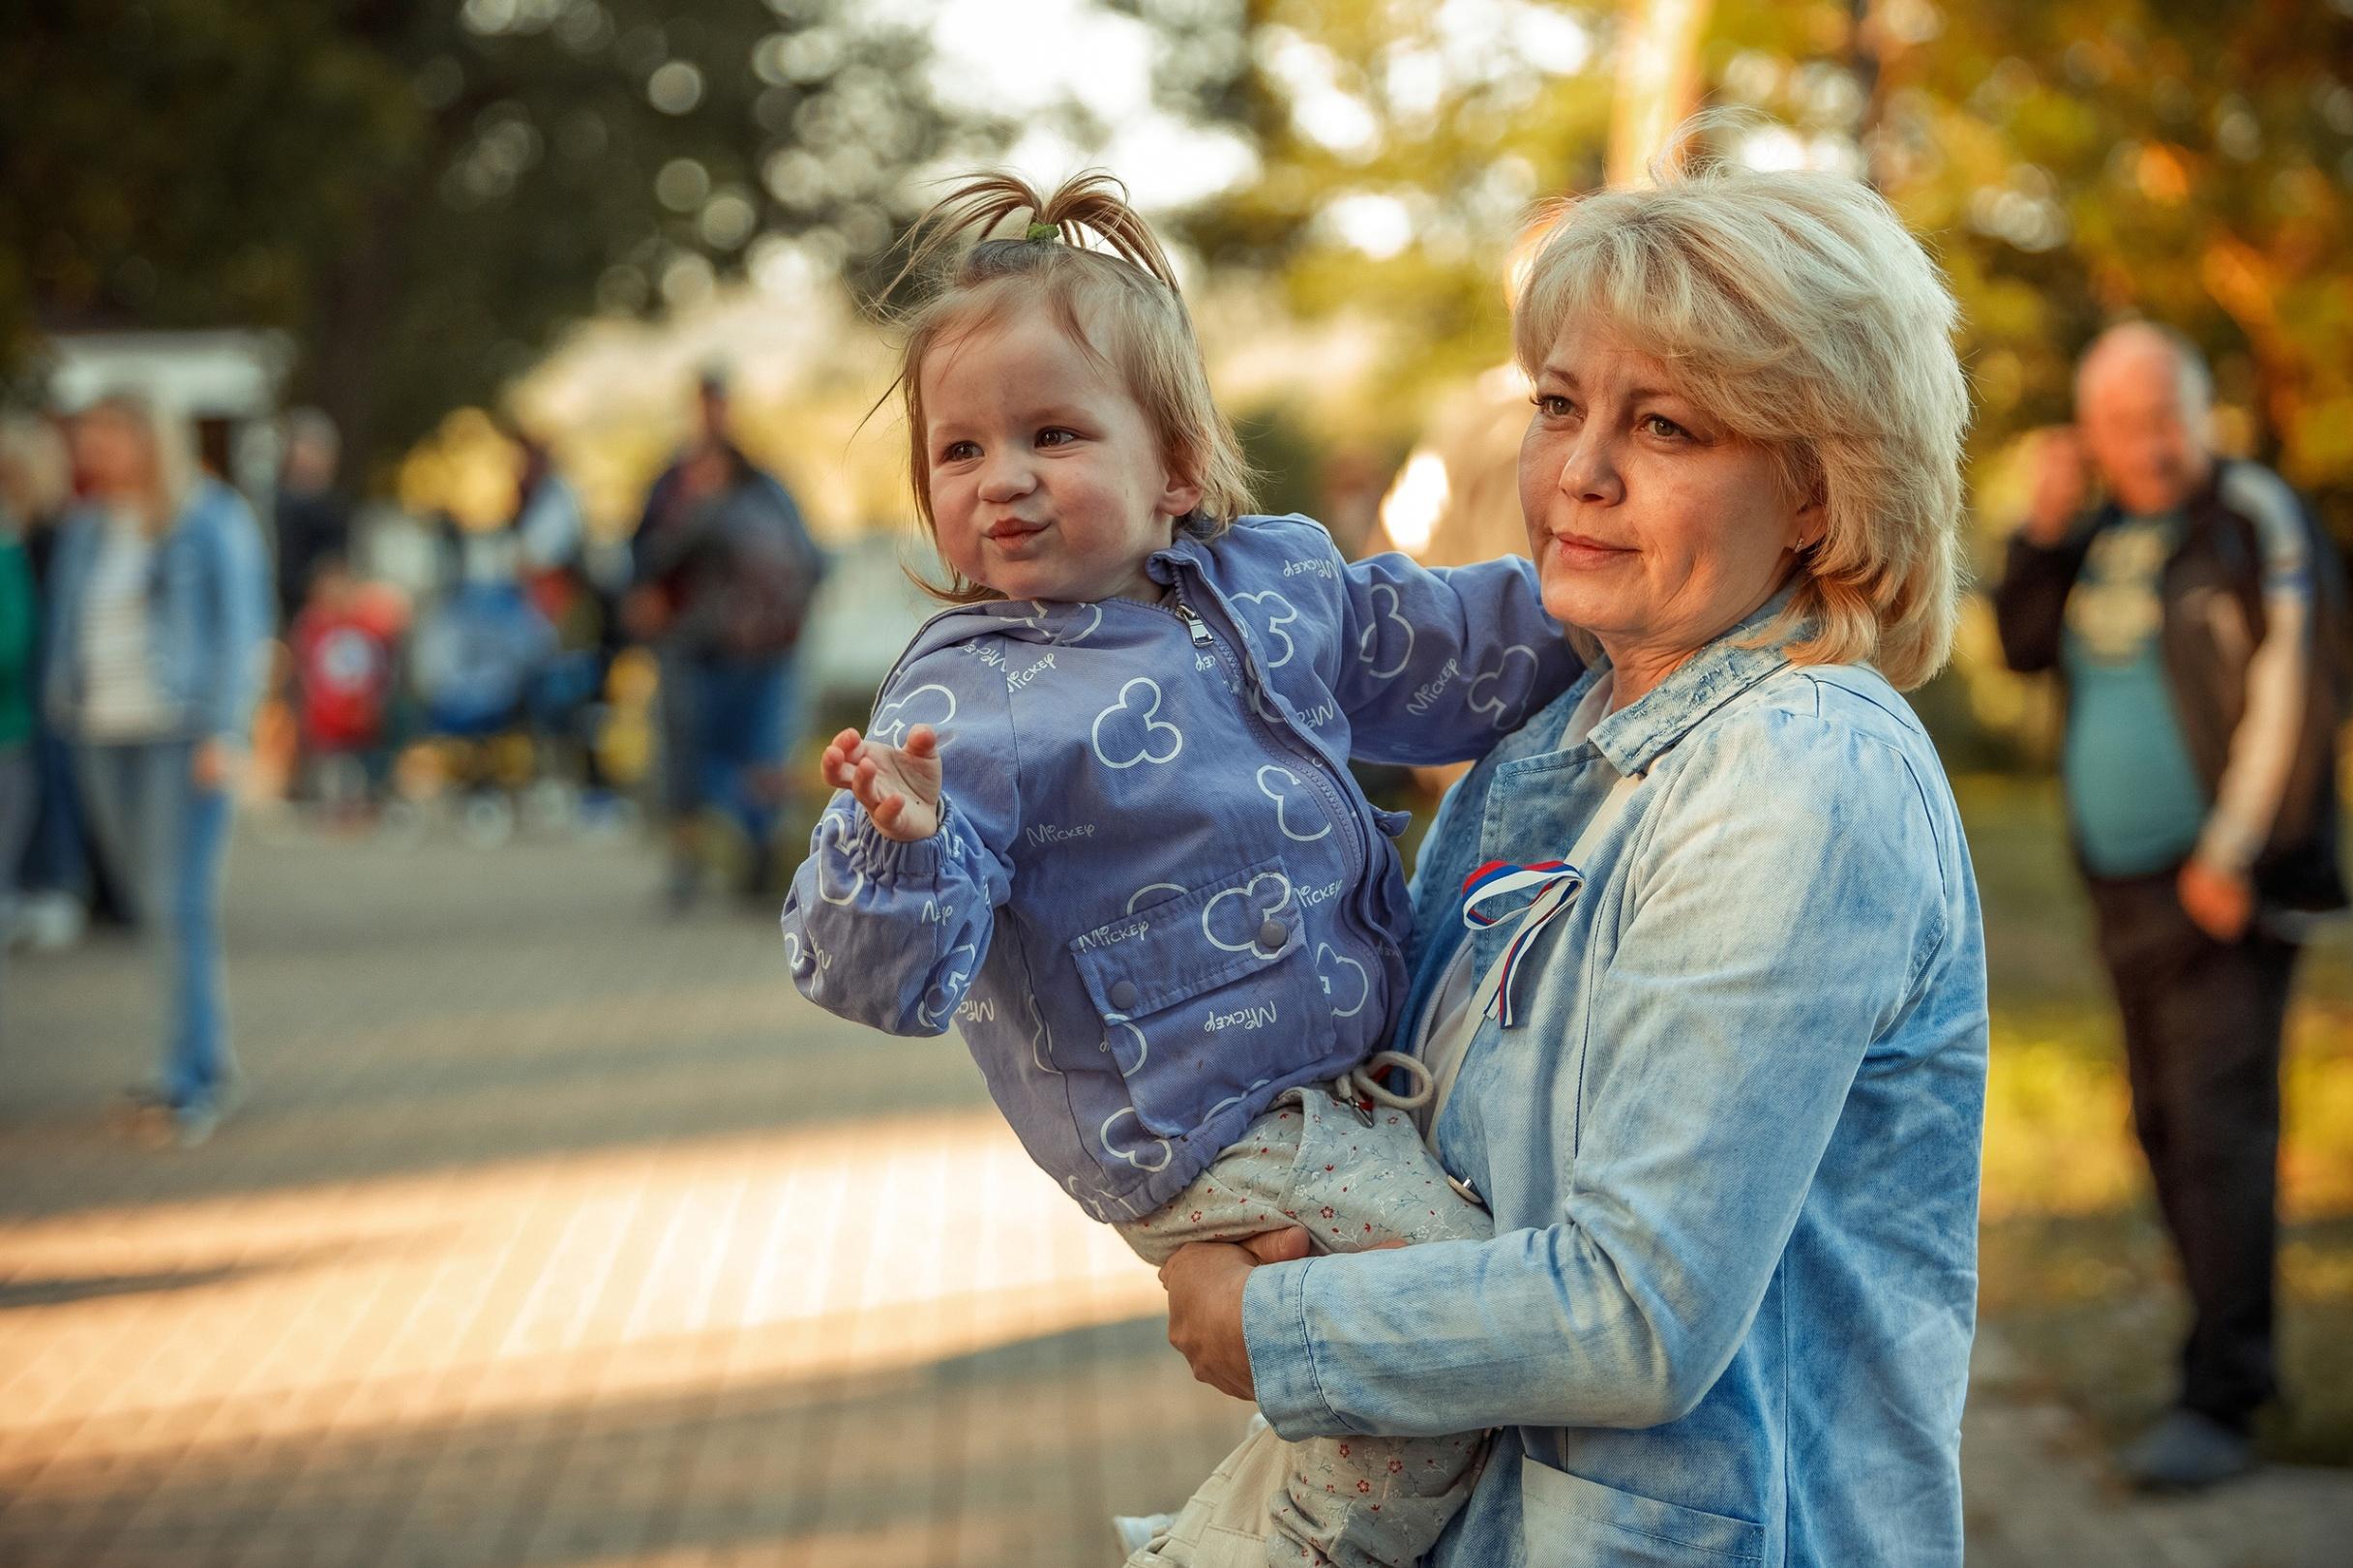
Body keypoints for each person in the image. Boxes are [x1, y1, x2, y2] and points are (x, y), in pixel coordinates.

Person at [1153, 155, 1986, 1564]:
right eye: (1559, 404)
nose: (1578, 474)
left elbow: (1636, 1312)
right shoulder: (1571, 728)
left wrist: (1267, 1323)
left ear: (1813, 489)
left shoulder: (1799, 771)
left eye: (1663, 426)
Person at [780, 172, 1581, 1568]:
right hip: (1194, 1122)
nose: (1003, 478)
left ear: (1179, 469)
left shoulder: (1268, 588)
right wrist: (890, 841)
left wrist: (1592, 604)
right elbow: (879, 978)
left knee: (1363, 1368)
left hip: (1328, 1079)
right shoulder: (966, 703)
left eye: (1052, 433)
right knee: (1438, 1313)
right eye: (959, 452)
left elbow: (1439, 642)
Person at [1993, 323, 2347, 1491]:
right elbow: (2026, 644)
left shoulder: (2251, 517)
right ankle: (2213, 1363)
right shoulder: (2102, 536)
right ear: (2090, 434)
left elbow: (2300, 685)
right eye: (2119, 424)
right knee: (2159, 1124)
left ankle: (2225, 1397)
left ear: (2201, 413)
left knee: (2216, 1129)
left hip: (2219, 889)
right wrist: (2039, 534)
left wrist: (2235, 852)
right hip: (2122, 890)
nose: (2144, 444)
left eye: (2162, 417)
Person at [45, 393, 271, 1146]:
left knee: (178, 905)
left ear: (149, 436)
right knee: (149, 903)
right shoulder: (86, 528)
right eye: (90, 437)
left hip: (181, 736)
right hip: (103, 732)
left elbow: (244, 627)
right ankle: (198, 1058)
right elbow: (69, 627)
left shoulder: (208, 516)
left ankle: (191, 1077)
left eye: (110, 434)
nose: (95, 451)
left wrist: (228, 728)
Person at [629, 369, 826, 906]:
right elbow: (814, 560)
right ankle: (724, 861)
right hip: (738, 648)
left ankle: (730, 865)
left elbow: (648, 560)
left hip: (719, 649)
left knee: (708, 759)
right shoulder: (759, 484)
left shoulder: (703, 484)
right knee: (725, 759)